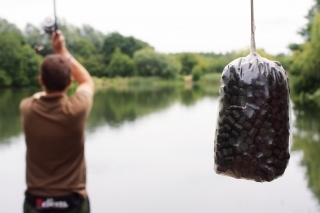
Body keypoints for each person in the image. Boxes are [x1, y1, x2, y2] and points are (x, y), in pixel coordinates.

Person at [20, 30, 94, 213]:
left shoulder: (27, 108)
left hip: (36, 202)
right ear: (69, 82)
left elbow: (37, 96)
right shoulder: (77, 109)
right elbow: (86, 81)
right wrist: (63, 51)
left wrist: (40, 94)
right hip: (73, 203)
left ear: (41, 81)